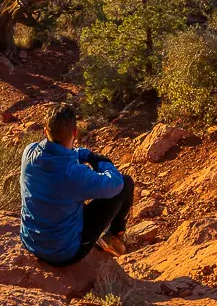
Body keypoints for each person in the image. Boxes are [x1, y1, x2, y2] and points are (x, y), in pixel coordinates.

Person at [19, 102, 135, 265]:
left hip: (30, 242)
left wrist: (82, 154)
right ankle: (114, 238)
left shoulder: (29, 152)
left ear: (45, 131)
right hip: (63, 254)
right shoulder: (74, 174)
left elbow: (62, 154)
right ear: (75, 132)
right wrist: (98, 160)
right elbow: (115, 184)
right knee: (126, 183)